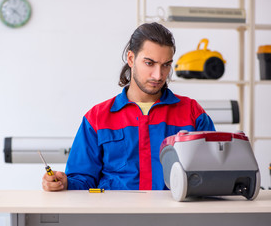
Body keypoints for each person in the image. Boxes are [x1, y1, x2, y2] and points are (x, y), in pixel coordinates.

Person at [42, 22, 215, 191]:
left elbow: (213, 170)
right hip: (116, 217)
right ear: (131, 59)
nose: (158, 74)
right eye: (149, 63)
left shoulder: (192, 113)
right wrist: (64, 183)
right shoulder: (97, 118)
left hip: (176, 218)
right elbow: (82, 180)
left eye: (166, 65)